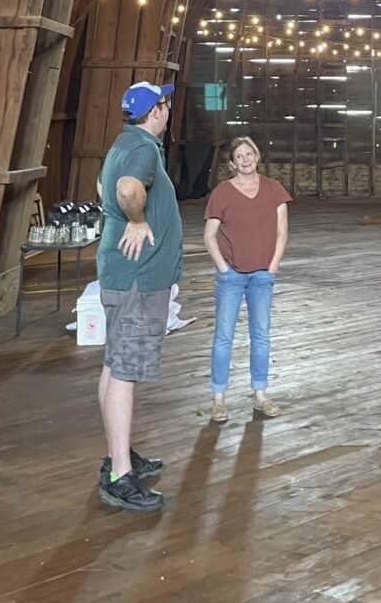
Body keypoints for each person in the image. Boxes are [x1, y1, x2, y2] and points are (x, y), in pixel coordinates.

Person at [95, 80, 182, 512]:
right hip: (137, 278)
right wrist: (135, 218)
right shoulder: (144, 148)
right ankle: (119, 477)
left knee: (115, 364)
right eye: (165, 104)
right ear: (157, 111)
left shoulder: (121, 143)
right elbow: (128, 190)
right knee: (126, 370)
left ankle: (119, 455)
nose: (168, 110)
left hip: (120, 272)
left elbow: (104, 187)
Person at [203, 136, 291, 422]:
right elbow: (209, 235)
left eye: (249, 153)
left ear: (257, 156)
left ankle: (260, 395)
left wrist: (272, 267)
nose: (245, 159)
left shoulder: (273, 189)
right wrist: (223, 268)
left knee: (261, 336)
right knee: (223, 337)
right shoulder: (222, 193)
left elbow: (282, 232)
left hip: (262, 275)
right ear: (232, 163)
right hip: (231, 276)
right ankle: (219, 399)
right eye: (239, 155)